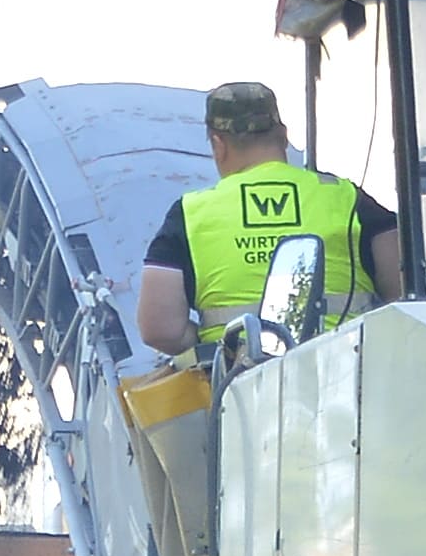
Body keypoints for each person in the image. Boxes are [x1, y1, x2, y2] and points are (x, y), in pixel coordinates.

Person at [131, 80, 400, 367]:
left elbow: (159, 328)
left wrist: (214, 343)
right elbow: (402, 289)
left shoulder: (190, 213)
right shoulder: (346, 197)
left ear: (218, 145)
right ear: (283, 136)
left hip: (240, 385)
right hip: (346, 373)